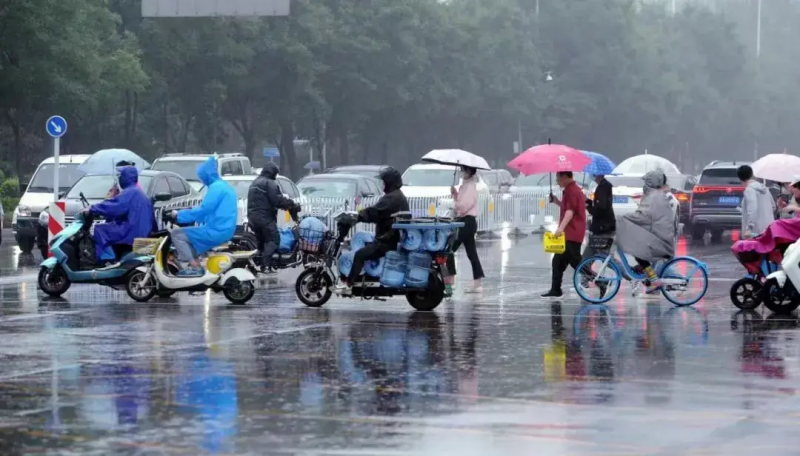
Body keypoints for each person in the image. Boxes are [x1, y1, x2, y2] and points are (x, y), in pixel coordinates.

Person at [336, 167, 409, 294]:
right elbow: (382, 216)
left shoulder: (391, 198)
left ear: (389, 182)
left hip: (386, 241)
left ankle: (348, 284)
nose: (383, 184)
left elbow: (375, 211)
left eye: (384, 181)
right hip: (392, 237)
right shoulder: (397, 196)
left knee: (360, 255)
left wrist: (359, 216)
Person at [167, 156, 237, 276]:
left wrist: (179, 215)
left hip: (216, 230)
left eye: (201, 177)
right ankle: (195, 264)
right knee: (188, 234)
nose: (201, 179)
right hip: (222, 228)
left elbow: (204, 209)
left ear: (206, 175)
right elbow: (209, 212)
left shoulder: (216, 188)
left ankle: (194, 267)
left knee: (177, 234)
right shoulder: (223, 186)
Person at [615, 170, 676, 294]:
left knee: (638, 251)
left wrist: (626, 217)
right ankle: (648, 277)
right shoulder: (656, 195)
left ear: (650, 182)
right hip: (658, 235)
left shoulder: (653, 197)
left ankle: (653, 279)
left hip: (659, 238)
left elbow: (644, 216)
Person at [82, 166, 155, 265]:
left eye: (121, 175)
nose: (119, 177)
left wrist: (92, 208)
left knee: (100, 230)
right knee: (109, 227)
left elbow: (114, 207)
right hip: (141, 231)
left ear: (126, 177)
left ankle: (107, 261)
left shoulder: (130, 192)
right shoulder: (140, 193)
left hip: (131, 231)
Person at [247, 162, 299, 273]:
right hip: (264, 218)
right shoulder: (269, 183)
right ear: (272, 172)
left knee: (261, 242)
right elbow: (278, 200)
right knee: (273, 239)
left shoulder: (255, 182)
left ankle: (260, 264)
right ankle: (266, 266)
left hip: (252, 218)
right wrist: (291, 204)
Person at [542, 171, 587, 298]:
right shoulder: (569, 190)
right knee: (558, 261)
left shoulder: (572, 190)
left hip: (572, 232)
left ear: (565, 177)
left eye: (558, 177)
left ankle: (598, 281)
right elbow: (567, 207)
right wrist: (556, 201)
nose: (557, 180)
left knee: (575, 262)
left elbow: (570, 212)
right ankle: (555, 289)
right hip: (571, 232)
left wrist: (560, 229)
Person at [449, 166, 485, 293]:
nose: (462, 173)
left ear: (469, 172)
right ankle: (478, 283)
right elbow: (462, 202)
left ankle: (450, 281)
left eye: (464, 170)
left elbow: (464, 206)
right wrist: (455, 195)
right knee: (471, 253)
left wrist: (454, 204)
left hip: (466, 222)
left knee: (449, 249)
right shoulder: (465, 186)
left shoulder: (470, 187)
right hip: (466, 222)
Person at [582, 174, 615, 259]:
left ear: (599, 175)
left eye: (594, 175)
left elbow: (599, 210)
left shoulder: (602, 188)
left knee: (605, 257)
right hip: (603, 226)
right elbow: (598, 205)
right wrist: (587, 200)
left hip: (602, 228)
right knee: (587, 258)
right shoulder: (604, 186)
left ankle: (622, 272)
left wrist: (587, 206)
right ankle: (584, 269)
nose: (593, 177)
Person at [738, 165, 775, 238]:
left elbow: (752, 210)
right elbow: (773, 206)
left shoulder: (749, 190)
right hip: (769, 230)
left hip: (755, 233)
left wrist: (748, 230)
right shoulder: (764, 188)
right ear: (752, 175)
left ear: (740, 179)